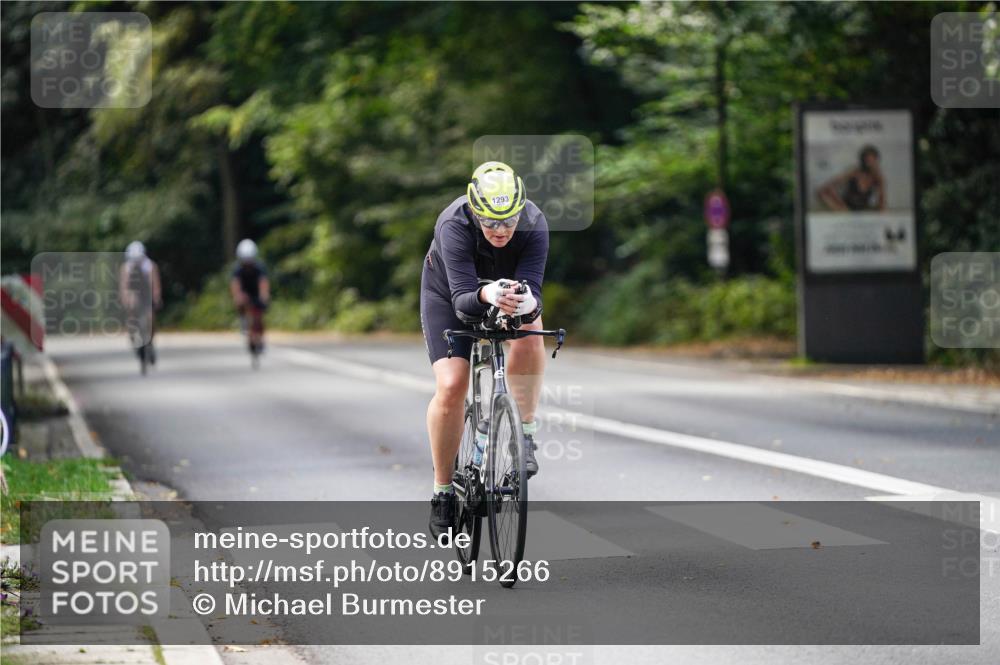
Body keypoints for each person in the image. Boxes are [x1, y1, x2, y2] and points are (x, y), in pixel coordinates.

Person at [420, 161, 549, 538]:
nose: (501, 230)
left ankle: (524, 433)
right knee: (452, 384)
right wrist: (487, 292)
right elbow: (462, 302)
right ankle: (442, 491)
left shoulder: (535, 223)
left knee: (531, 330)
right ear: (475, 211)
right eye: (490, 222)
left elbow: (535, 293)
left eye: (509, 221)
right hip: (449, 292)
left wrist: (528, 304)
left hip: (503, 291)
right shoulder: (453, 224)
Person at [118, 241, 162, 364]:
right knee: (131, 314)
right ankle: (134, 339)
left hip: (146, 294)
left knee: (151, 318)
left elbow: (155, 284)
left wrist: (156, 297)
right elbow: (124, 286)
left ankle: (150, 343)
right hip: (134, 294)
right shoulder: (126, 268)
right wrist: (125, 299)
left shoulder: (150, 266)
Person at [229, 239, 270, 354]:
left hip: (257, 292)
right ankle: (244, 322)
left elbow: (264, 283)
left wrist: (264, 295)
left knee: (259, 314)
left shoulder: (259, 267)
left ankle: (260, 335)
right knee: (241, 302)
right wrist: (237, 296)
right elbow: (235, 285)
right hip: (245, 293)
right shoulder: (237, 269)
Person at [818, 145, 886, 212]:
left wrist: (881, 214)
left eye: (872, 160)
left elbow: (881, 200)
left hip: (863, 209)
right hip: (847, 209)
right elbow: (825, 188)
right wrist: (840, 204)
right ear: (862, 160)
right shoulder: (854, 173)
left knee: (880, 210)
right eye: (867, 160)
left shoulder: (878, 177)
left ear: (876, 160)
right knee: (822, 193)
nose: (870, 163)